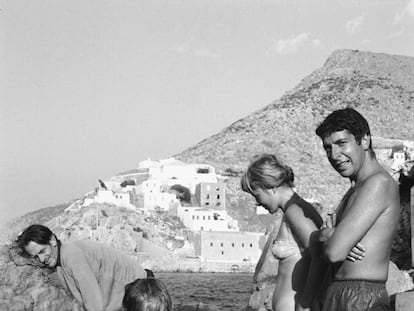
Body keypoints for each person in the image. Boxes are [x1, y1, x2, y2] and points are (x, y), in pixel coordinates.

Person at [314, 108, 400, 311]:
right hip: (342, 294)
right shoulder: (356, 188)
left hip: (361, 299)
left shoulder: (378, 183)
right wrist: (329, 235)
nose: (334, 155)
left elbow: (334, 253)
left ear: (365, 140)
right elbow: (325, 244)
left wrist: (331, 238)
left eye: (342, 143)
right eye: (328, 148)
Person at [241, 154, 324, 311]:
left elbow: (318, 256)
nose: (258, 202)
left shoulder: (295, 211)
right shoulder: (295, 209)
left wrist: (305, 301)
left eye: (257, 195)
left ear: (270, 187)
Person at [17, 224, 149, 311]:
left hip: (142, 291)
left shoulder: (71, 256)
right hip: (134, 295)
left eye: (42, 251)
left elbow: (94, 302)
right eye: (35, 257)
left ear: (52, 241)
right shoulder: (61, 263)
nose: (41, 259)